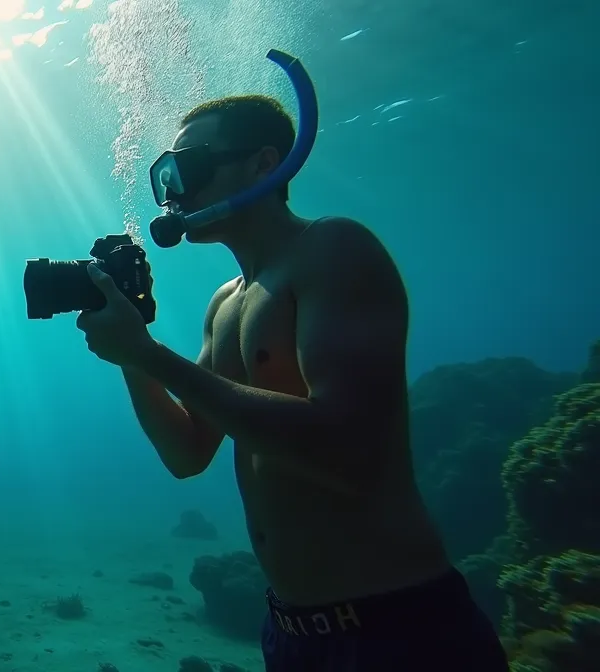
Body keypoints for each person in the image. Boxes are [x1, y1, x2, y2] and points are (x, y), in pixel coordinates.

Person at [75, 96, 508, 670]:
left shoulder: (333, 249)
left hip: (396, 626)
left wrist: (148, 354)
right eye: (165, 177)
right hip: (289, 630)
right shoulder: (224, 304)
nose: (174, 192)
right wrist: (132, 355)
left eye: (188, 168)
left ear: (263, 164)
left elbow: (346, 446)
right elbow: (187, 452)